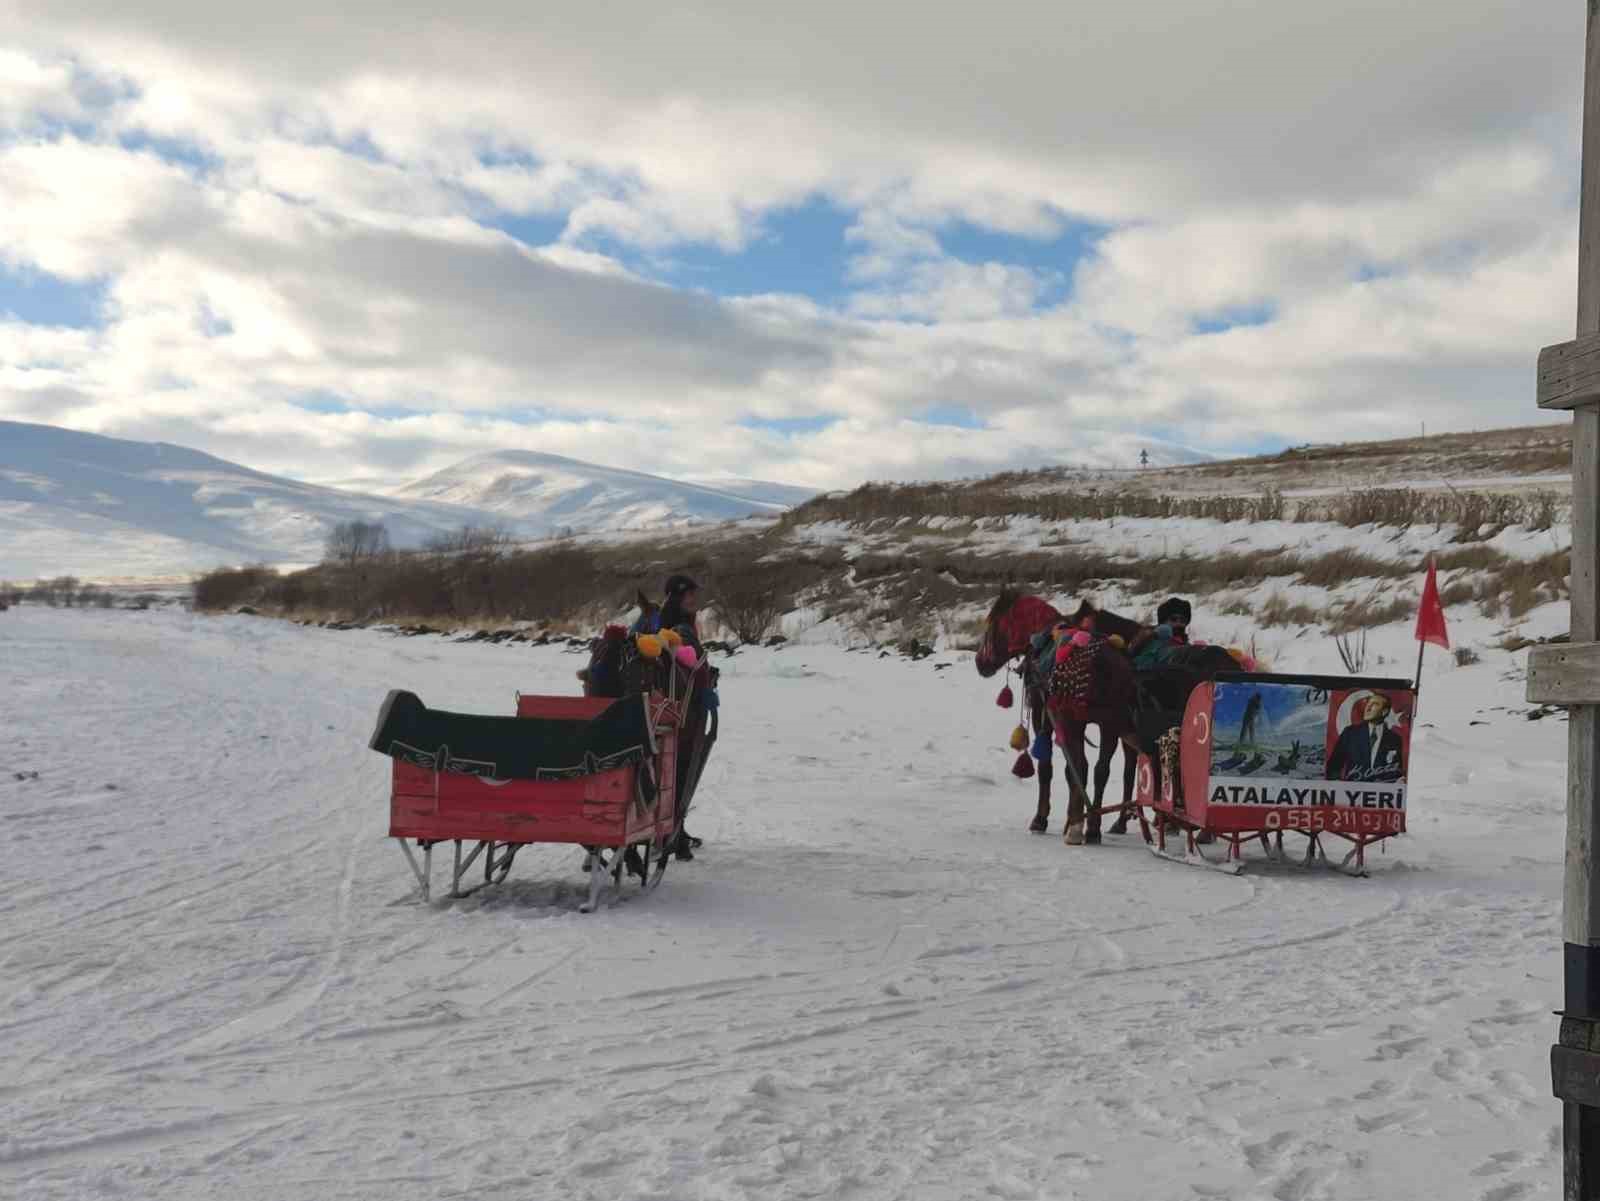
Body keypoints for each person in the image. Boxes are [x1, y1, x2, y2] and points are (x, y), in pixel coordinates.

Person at [1326, 693, 1404, 783]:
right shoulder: (1350, 733)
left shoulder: (1394, 739)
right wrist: (1338, 785)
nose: (1368, 708)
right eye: (1368, 704)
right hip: (1353, 789)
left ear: (1384, 711)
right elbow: (1333, 767)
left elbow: (1396, 771)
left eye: (1374, 704)